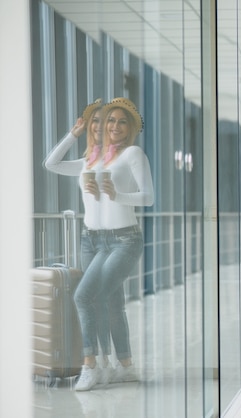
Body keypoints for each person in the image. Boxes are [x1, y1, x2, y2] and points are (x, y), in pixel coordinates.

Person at [45, 97, 154, 391]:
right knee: (113, 304)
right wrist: (74, 133)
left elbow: (149, 197)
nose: (114, 126)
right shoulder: (92, 159)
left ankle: (90, 364)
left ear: (129, 127)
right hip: (90, 239)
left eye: (121, 121)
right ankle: (127, 366)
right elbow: (50, 163)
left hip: (124, 240)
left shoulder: (132, 154)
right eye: (109, 121)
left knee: (85, 297)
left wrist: (116, 194)